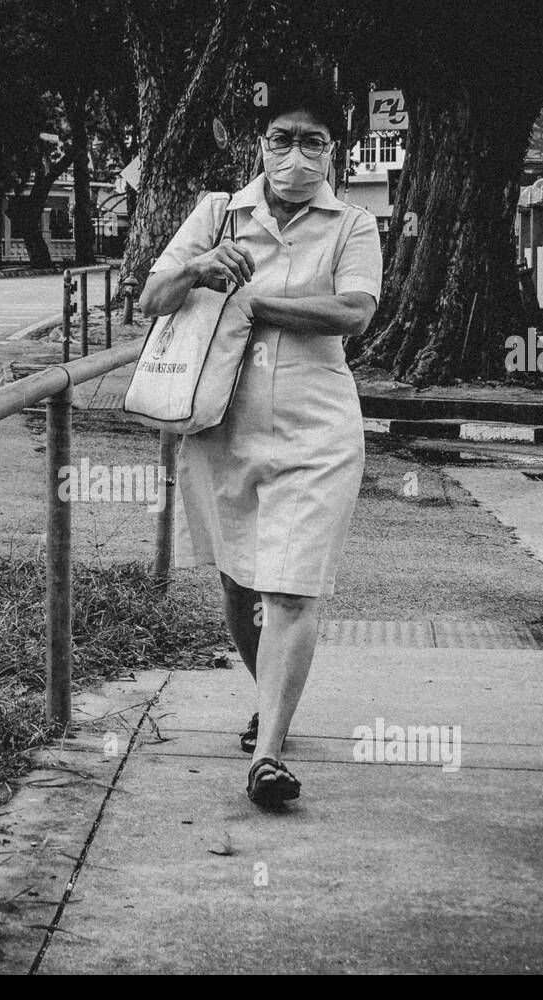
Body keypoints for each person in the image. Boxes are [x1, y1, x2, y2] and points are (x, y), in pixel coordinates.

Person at [138, 70, 383, 809]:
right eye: (284, 139)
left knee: (293, 588)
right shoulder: (217, 213)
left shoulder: (352, 225)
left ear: (335, 152)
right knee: (240, 586)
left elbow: (352, 314)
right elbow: (150, 296)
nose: (297, 155)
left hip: (319, 432)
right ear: (260, 144)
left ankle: (269, 752)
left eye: (314, 141)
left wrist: (250, 298)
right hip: (219, 427)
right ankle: (269, 700)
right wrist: (199, 267)